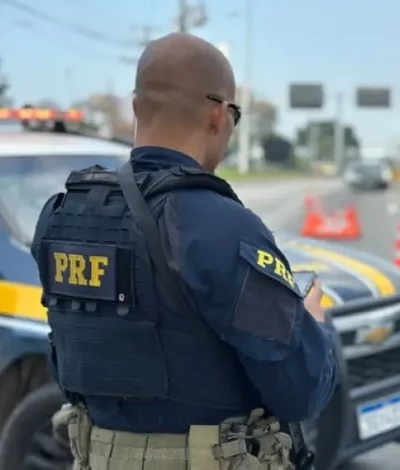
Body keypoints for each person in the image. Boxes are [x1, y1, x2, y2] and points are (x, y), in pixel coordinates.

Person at [30, 32, 338, 470]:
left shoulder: (61, 217)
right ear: (218, 115)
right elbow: (302, 391)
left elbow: (71, 367)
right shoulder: (222, 228)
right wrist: (315, 322)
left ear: (136, 108)